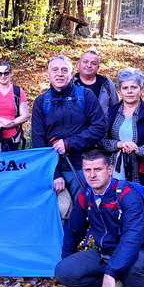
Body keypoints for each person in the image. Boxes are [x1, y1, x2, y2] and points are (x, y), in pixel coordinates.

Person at [55, 149, 144, 287]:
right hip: (105, 253)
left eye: (98, 169)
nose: (92, 175)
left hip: (143, 254)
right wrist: (66, 258)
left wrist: (111, 273)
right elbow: (74, 229)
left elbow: (131, 240)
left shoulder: (127, 194)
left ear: (110, 169)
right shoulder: (86, 195)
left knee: (131, 265)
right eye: (87, 170)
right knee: (63, 271)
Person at [32, 55, 106, 220]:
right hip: (56, 167)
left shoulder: (85, 96)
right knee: (63, 212)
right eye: (55, 70)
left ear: (72, 74)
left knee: (87, 212)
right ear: (48, 74)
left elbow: (99, 127)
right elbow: (38, 142)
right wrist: (54, 174)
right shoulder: (41, 102)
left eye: (64, 70)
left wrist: (69, 143)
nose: (60, 74)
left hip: (84, 167)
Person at [100, 68, 144, 198]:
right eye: (125, 88)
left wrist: (138, 150)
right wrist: (119, 144)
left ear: (141, 90)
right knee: (116, 207)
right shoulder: (111, 113)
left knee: (142, 207)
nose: (129, 91)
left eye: (134, 87)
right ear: (119, 91)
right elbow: (101, 141)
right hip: (115, 172)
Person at [0, 61, 30, 152]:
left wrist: (11, 124)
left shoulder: (18, 92)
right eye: (0, 73)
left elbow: (25, 115)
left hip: (12, 138)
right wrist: (2, 121)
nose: (3, 76)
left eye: (6, 73)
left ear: (11, 73)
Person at [71, 51, 119, 117]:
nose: (89, 65)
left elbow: (115, 107)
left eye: (93, 63)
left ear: (98, 67)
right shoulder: (70, 83)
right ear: (78, 64)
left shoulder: (106, 84)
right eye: (85, 62)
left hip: (102, 123)